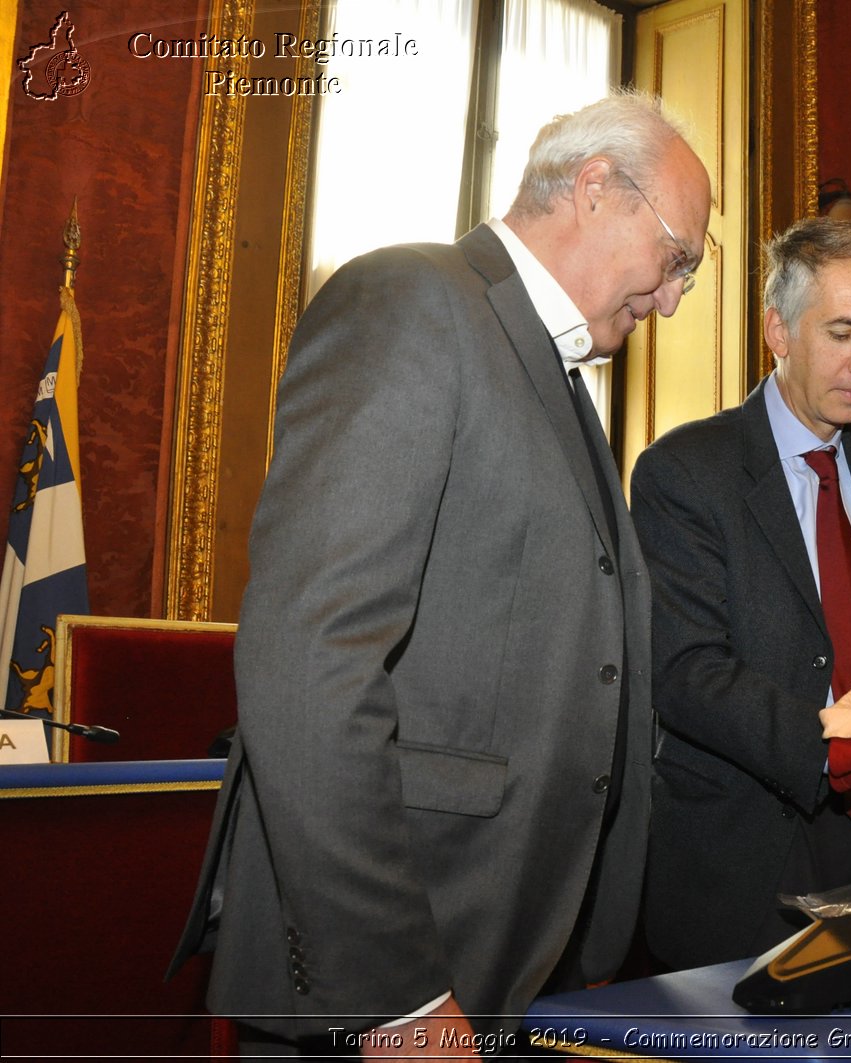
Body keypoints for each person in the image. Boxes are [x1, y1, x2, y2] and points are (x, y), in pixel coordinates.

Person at [169, 91, 711, 1056]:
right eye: (676, 259)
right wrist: (396, 995)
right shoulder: (412, 301)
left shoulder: (553, 372)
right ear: (594, 189)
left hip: (500, 943)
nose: (672, 299)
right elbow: (311, 658)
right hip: (393, 961)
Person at [630, 218, 851, 969]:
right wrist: (843, 745)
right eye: (843, 332)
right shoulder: (685, 470)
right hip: (747, 853)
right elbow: (685, 672)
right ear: (777, 328)